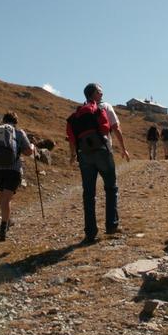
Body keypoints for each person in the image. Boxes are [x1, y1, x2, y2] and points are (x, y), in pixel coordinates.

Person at [67, 83, 130, 244]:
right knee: (111, 187)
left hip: (84, 155)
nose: (102, 94)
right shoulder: (105, 107)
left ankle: (90, 232)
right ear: (93, 93)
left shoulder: (79, 112)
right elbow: (115, 128)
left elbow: (72, 137)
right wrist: (123, 149)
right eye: (99, 92)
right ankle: (111, 225)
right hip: (103, 151)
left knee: (88, 194)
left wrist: (73, 155)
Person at [0, 112, 34, 241]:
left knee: (3, 196)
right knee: (6, 199)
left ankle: (8, 220)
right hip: (13, 170)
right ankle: (3, 227)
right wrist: (32, 146)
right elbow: (28, 152)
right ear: (15, 122)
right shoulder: (19, 133)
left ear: (3, 120)